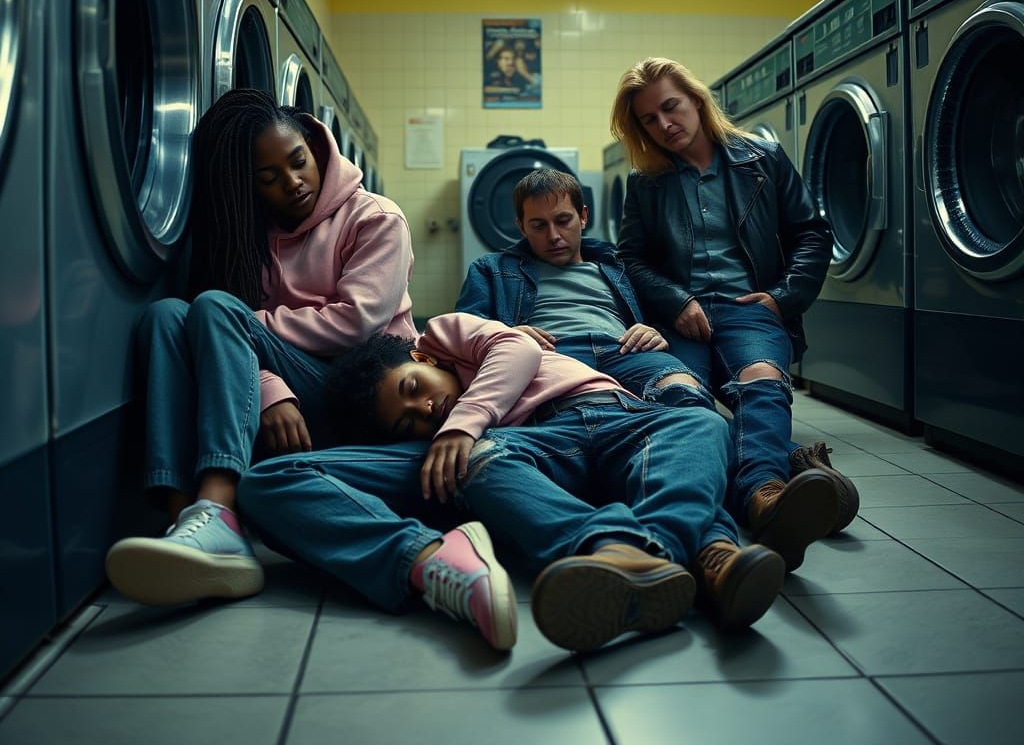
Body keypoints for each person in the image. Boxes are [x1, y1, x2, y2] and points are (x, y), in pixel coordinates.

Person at [104, 88, 418, 609]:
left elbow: (357, 324)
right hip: (279, 390)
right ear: (246, 184)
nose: (292, 183)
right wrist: (269, 387)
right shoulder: (245, 231)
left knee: (215, 308)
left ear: (317, 151)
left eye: (298, 163)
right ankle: (187, 519)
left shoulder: (376, 217)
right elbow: (236, 339)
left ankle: (220, 505)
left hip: (359, 392)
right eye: (268, 177)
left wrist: (245, 328)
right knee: (165, 317)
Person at [325, 313, 787, 652]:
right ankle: (703, 561)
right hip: (541, 442)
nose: (424, 409)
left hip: (613, 409)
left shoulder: (444, 335)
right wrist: (469, 438)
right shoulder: (472, 437)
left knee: (697, 427)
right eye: (409, 425)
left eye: (413, 387)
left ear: (422, 357)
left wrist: (462, 423)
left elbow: (519, 349)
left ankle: (654, 557)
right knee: (480, 462)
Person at [610, 57, 859, 572]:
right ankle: (790, 462)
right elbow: (632, 258)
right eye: (649, 120)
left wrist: (781, 297)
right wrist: (676, 301)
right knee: (684, 402)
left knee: (762, 381)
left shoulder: (761, 158)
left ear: (697, 100)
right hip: (682, 316)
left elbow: (810, 232)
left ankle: (762, 496)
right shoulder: (647, 182)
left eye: (670, 107)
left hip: (749, 308)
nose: (664, 125)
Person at [457, 168, 713, 412]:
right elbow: (462, 335)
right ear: (522, 227)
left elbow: (665, 309)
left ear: (583, 216)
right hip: (551, 356)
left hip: (624, 350)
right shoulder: (491, 268)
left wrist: (653, 331)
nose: (554, 235)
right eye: (538, 226)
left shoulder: (621, 264)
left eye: (563, 220)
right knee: (560, 415)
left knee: (688, 395)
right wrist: (504, 335)